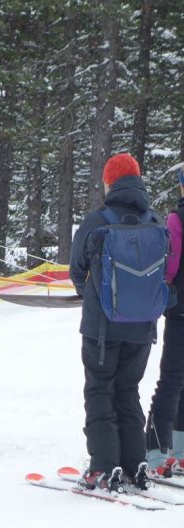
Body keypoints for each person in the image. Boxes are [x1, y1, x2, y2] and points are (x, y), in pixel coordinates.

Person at [69, 152, 163, 491]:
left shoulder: (97, 221)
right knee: (127, 390)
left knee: (99, 391)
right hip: (143, 329)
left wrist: (93, 296)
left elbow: (76, 270)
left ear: (109, 182)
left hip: (102, 329)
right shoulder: (155, 221)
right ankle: (134, 461)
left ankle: (103, 466)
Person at [145, 168, 184, 470]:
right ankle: (181, 448)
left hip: (181, 311)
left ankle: (157, 450)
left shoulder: (177, 219)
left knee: (171, 379)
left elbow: (170, 268)